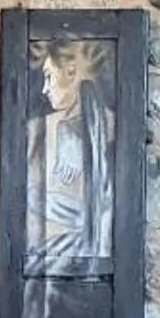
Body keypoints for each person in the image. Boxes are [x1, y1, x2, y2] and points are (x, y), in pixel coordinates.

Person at [25, 39, 114, 276]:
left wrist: (73, 132)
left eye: (49, 76)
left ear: (71, 73)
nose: (45, 89)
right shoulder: (37, 130)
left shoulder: (115, 129)